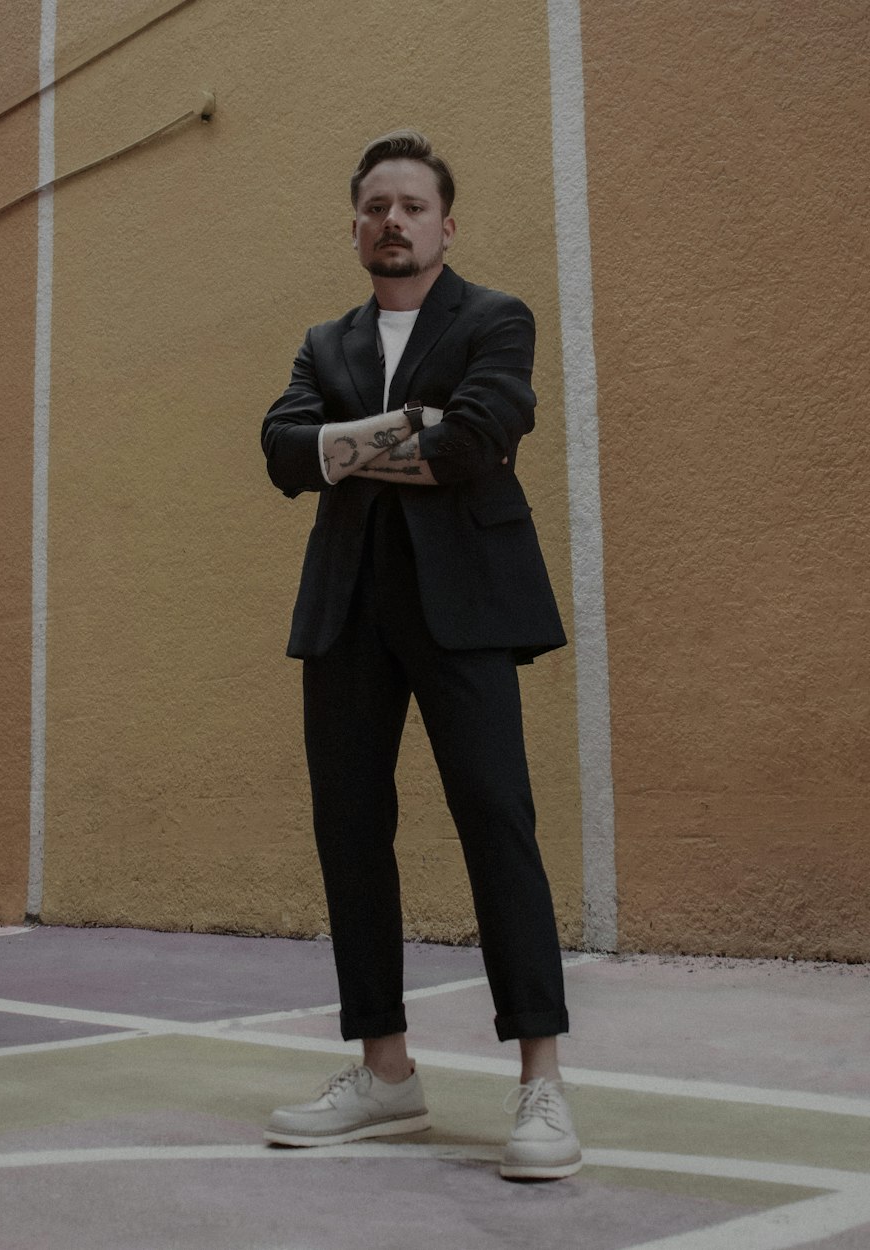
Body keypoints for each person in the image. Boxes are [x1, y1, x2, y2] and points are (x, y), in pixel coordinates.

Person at [260, 130, 579, 1181]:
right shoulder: (324, 338)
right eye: (373, 205)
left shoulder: (496, 317)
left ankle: (540, 1077)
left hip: (466, 607)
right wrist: (403, 434)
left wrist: (343, 450)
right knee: (350, 831)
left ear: (446, 223)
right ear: (354, 223)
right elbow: (279, 450)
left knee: (498, 822)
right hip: (347, 608)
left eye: (410, 204)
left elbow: (478, 437)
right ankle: (384, 1069)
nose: (390, 219)